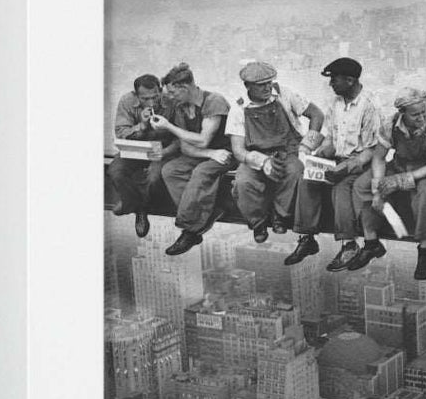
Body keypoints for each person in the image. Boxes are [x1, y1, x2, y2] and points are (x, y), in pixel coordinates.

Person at [229, 61, 325, 266]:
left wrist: (307, 146)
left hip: (288, 150)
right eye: (261, 84)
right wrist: (262, 162)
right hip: (256, 154)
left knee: (296, 173)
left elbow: (317, 115)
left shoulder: (285, 94)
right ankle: (258, 223)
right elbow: (238, 150)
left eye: (269, 82)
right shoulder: (238, 108)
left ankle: (281, 217)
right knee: (242, 182)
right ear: (248, 86)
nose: (267, 87)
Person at [307, 56, 386, 274]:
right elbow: (332, 138)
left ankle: (357, 244)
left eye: (335, 80)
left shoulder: (370, 106)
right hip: (342, 161)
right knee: (335, 187)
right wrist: (319, 154)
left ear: (350, 81)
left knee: (344, 188)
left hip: (366, 162)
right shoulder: (336, 103)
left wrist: (346, 167)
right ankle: (351, 244)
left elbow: (372, 149)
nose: (331, 84)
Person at [368, 83, 426, 279]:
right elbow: (379, 158)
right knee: (367, 186)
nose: (421, 117)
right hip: (400, 165)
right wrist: (378, 187)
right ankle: (370, 240)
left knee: (423, 195)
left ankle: (424, 248)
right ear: (403, 112)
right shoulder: (390, 124)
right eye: (415, 115)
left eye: (423, 111)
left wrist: (400, 181)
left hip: (424, 171)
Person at [156, 63, 235, 256]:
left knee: (201, 172)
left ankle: (190, 231)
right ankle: (209, 213)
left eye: (173, 92)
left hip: (227, 153)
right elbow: (185, 146)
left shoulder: (214, 101)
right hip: (208, 154)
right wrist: (209, 154)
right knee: (170, 170)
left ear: (185, 87)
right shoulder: (182, 107)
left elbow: (202, 139)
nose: (171, 97)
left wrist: (169, 127)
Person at [104, 73, 166, 238]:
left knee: (154, 178)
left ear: (160, 91)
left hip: (161, 150)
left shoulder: (170, 101)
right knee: (115, 171)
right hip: (135, 149)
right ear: (136, 95)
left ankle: (141, 208)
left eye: (155, 97)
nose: (151, 102)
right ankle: (134, 204)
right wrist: (142, 126)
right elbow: (121, 133)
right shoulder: (127, 101)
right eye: (145, 99)